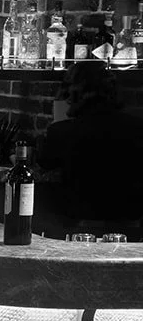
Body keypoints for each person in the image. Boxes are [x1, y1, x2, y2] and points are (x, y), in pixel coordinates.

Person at [41, 60, 143, 238]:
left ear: (73, 93)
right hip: (132, 228)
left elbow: (44, 163)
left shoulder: (63, 131)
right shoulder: (138, 128)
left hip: (77, 229)